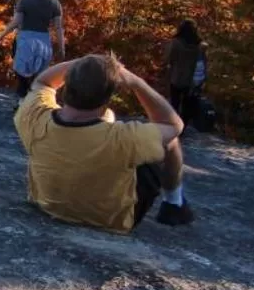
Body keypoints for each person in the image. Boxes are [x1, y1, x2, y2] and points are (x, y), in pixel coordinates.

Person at [14, 52, 194, 231]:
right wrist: (137, 84)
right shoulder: (123, 138)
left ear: (67, 86)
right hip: (110, 219)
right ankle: (174, 203)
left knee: (108, 119)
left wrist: (84, 63)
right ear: (108, 98)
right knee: (168, 141)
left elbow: (43, 82)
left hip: (48, 205)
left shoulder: (36, 117)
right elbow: (173, 125)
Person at [0, 0, 65, 97]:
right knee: (38, 78)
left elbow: (16, 22)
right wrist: (61, 47)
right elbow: (58, 28)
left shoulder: (25, 1)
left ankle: (21, 101)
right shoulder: (55, 4)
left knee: (22, 75)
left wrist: (1, 35)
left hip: (26, 40)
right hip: (43, 42)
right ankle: (32, 103)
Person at [164, 19, 207, 121]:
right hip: (192, 80)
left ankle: (173, 123)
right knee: (188, 104)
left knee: (175, 102)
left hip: (177, 77)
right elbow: (203, 63)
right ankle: (184, 125)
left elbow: (168, 58)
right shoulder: (200, 46)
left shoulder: (176, 43)